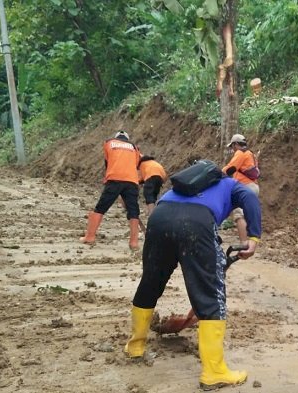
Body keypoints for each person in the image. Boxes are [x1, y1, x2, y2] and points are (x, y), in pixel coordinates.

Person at [125, 160, 261, 391]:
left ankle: (135, 347)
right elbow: (250, 199)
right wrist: (254, 238)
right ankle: (214, 372)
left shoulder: (182, 186)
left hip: (160, 217)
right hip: (196, 223)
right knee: (210, 294)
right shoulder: (231, 185)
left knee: (150, 282)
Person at [79, 131, 142, 250]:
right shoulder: (134, 147)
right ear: (127, 139)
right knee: (133, 210)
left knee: (101, 207)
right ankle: (134, 243)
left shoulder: (108, 143)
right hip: (131, 181)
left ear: (116, 137)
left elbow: (107, 162)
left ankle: (90, 237)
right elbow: (135, 164)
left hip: (114, 179)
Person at [222, 134, 260, 243]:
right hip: (253, 186)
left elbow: (231, 168)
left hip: (245, 187)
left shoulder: (240, 153)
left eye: (232, 146)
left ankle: (244, 242)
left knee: (239, 214)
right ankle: (251, 239)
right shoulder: (250, 153)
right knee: (247, 213)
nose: (232, 149)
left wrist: (219, 172)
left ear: (236, 144)